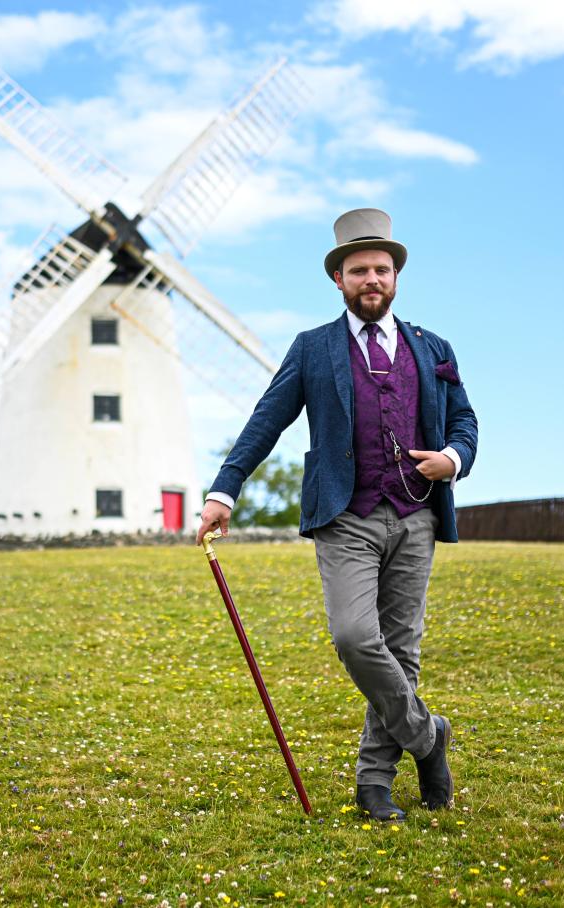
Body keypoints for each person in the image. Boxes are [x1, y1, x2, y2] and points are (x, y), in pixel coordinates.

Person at [195, 208, 478, 821]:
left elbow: (464, 421)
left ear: (395, 276)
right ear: (338, 279)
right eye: (359, 271)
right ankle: (429, 738)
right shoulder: (313, 348)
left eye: (381, 269)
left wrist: (453, 459)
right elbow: (266, 420)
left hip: (417, 514)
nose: (371, 279)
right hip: (345, 515)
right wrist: (224, 490)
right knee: (355, 638)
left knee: (400, 650)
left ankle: (374, 783)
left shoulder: (433, 347)